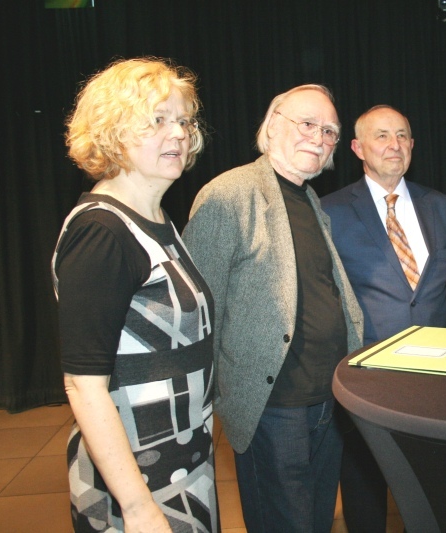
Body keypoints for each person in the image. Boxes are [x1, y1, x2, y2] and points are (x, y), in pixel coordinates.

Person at [182, 84, 364, 532]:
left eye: (329, 132)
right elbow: (200, 312)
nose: (319, 139)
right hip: (274, 404)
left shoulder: (309, 198)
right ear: (272, 124)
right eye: (307, 124)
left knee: (317, 519)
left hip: (327, 397)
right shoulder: (229, 194)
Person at [52, 58, 217, 532]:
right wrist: (139, 507)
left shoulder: (159, 219)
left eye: (183, 120)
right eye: (157, 121)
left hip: (181, 460)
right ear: (113, 132)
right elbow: (83, 385)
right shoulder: (102, 232)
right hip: (137, 476)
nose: (179, 134)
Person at [321, 105, 446, 532]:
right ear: (358, 148)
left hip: (438, 378)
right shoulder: (329, 211)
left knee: (434, 493)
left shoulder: (445, 207)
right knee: (365, 494)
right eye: (382, 136)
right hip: (368, 376)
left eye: (402, 135)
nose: (394, 145)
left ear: (413, 146)